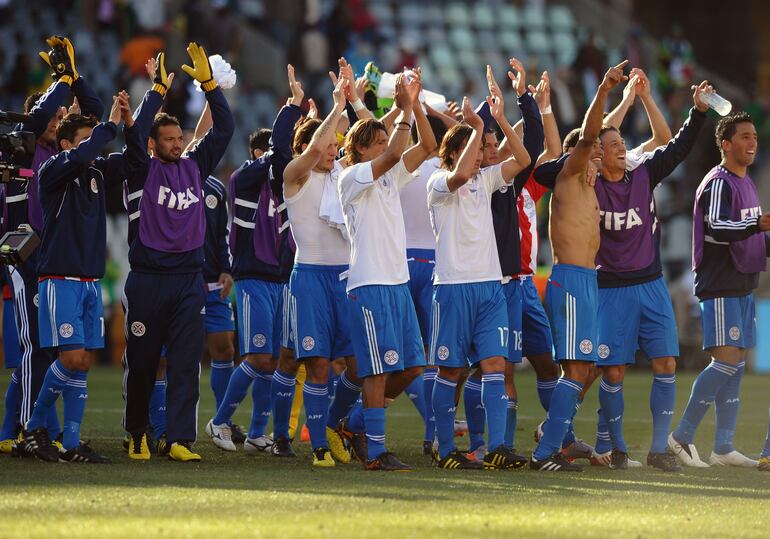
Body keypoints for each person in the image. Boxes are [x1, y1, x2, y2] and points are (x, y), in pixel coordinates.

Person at [122, 46, 234, 462]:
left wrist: (210, 88)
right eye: (167, 140)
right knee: (144, 362)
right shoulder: (142, 167)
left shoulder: (194, 166)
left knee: (187, 364)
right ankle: (137, 433)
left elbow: (225, 128)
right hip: (148, 278)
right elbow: (132, 136)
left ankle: (180, 440)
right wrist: (157, 91)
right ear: (153, 145)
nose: (175, 144)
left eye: (179, 139)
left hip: (189, 279)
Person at [592, 79, 709, 471]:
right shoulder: (587, 184)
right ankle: (618, 448)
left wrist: (698, 111)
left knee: (666, 363)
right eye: (613, 145)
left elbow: (678, 145)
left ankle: (659, 449)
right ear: (597, 154)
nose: (622, 148)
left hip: (650, 283)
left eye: (622, 143)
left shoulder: (642, 173)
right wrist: (624, 98)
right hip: (609, 287)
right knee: (612, 370)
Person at [20, 92, 130, 463]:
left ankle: (71, 442)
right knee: (69, 357)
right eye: (84, 139)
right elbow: (86, 153)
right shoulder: (53, 170)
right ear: (66, 145)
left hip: (89, 281)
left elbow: (135, 160)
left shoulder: (95, 172)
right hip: (59, 278)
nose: (93, 148)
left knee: (81, 361)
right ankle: (33, 426)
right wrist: (109, 125)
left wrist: (139, 110)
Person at [529, 61, 628, 472]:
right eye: (598, 149)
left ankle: (554, 440)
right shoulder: (570, 174)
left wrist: (626, 100)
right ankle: (545, 451)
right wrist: (604, 88)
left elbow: (603, 133)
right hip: (568, 281)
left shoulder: (592, 186)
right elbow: (591, 134)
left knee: (586, 369)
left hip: (588, 281)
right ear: (584, 153)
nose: (604, 152)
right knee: (576, 367)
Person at [7, 37, 104, 452]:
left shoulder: (63, 151)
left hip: (52, 252)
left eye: (62, 114)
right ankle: (32, 433)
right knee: (35, 348)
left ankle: (18, 429)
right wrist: (62, 81)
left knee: (48, 349)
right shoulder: (23, 146)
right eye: (53, 113)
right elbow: (43, 113)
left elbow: (95, 117)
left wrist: (75, 80)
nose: (58, 118)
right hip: (23, 253)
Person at [428, 93, 531, 470]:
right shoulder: (439, 182)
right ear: (455, 152)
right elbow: (457, 176)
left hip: (490, 287)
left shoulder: (486, 180)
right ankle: (442, 447)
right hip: (453, 287)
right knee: (451, 371)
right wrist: (475, 127)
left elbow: (522, 160)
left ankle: (497, 447)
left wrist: (500, 121)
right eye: (474, 149)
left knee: (495, 365)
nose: (482, 155)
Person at [337, 72, 434, 471]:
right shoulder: (352, 177)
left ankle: (354, 426)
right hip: (370, 282)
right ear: (360, 151)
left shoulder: (389, 173)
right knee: (376, 371)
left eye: (384, 140)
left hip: (397, 281)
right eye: (376, 142)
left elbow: (428, 145)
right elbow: (394, 152)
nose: (386, 146)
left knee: (412, 367)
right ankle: (375, 452)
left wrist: (415, 108)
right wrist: (405, 110)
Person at [205, 65, 302, 456]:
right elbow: (281, 152)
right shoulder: (244, 179)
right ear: (258, 155)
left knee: (273, 360)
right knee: (258, 356)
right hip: (252, 279)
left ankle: (260, 431)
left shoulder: (283, 187)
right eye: (274, 154)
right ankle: (220, 420)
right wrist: (293, 108)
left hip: (280, 280)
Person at [669, 111, 769, 468]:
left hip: (743, 282)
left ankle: (723, 447)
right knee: (725, 361)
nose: (752, 142)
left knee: (737, 364)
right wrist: (756, 223)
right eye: (744, 137)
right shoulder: (719, 182)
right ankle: (680, 437)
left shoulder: (747, 182)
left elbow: (752, 232)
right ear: (726, 145)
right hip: (721, 282)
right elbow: (718, 226)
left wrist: (764, 237)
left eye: (754, 136)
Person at [277, 77, 357, 467]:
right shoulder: (296, 174)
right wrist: (338, 107)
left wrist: (354, 101)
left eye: (335, 146)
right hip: (310, 277)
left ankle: (329, 424)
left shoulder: (342, 176)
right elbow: (313, 149)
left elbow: (370, 143)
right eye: (327, 145)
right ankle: (318, 446)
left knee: (358, 364)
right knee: (318, 363)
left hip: (345, 278)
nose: (332, 151)